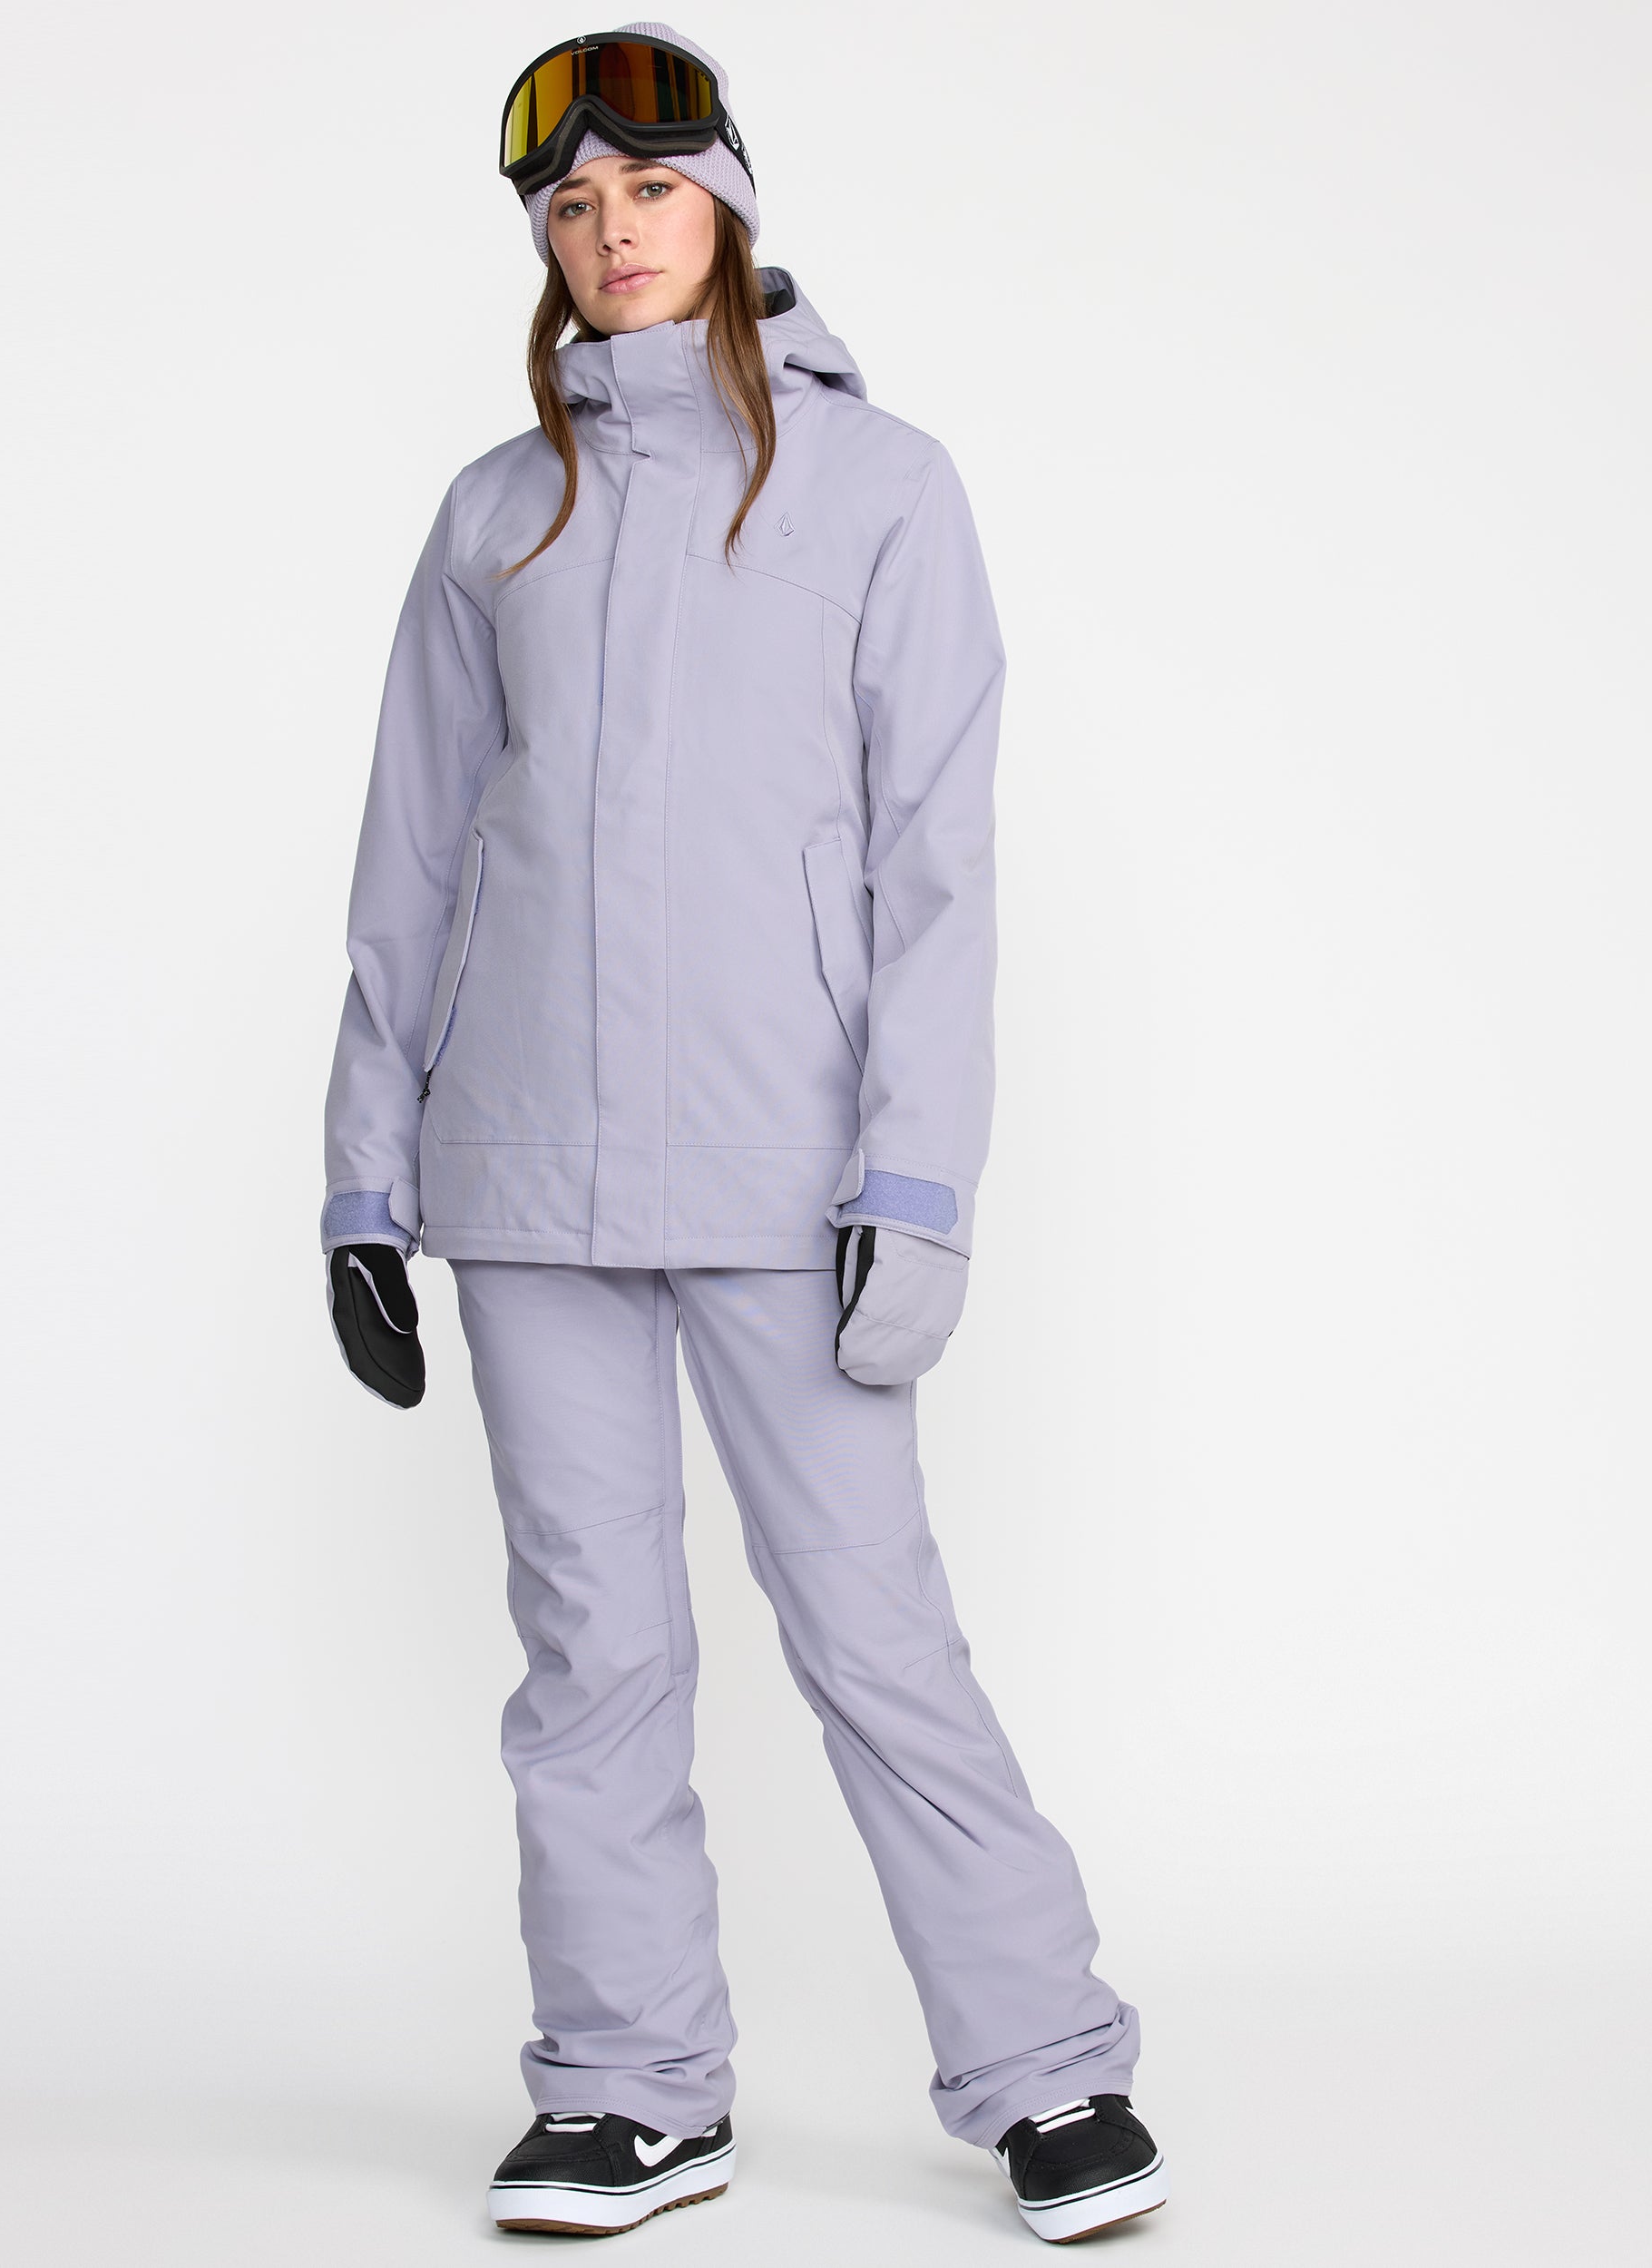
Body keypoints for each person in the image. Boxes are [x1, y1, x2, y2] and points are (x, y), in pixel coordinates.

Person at [318, 22, 1165, 2245]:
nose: (611, 232)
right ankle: (627, 2087)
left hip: (791, 1173)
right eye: (573, 206)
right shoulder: (491, 514)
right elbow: (412, 855)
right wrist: (362, 1175)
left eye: (652, 192)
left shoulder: (882, 491)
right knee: (589, 1650)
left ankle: (1046, 2066)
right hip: (522, 1175)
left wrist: (918, 1176)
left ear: (730, 208)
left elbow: (936, 865)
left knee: (872, 1633)